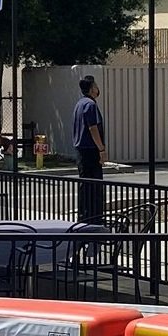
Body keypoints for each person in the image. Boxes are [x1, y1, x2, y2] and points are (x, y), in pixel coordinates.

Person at [71, 73, 106, 225]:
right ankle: (95, 217)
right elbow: (93, 128)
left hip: (80, 151)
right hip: (91, 150)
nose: (98, 89)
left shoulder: (79, 104)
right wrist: (101, 149)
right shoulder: (91, 105)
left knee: (84, 185)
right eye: (96, 86)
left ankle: (84, 216)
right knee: (95, 185)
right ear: (92, 89)